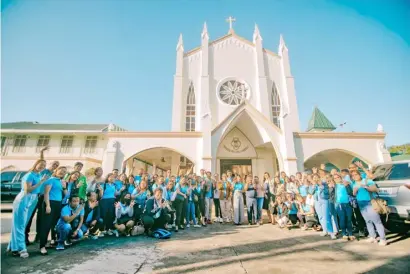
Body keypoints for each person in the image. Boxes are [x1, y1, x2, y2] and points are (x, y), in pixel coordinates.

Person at [8, 159, 49, 258]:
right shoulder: (29, 175)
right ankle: (21, 249)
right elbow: (28, 189)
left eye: (44, 165)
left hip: (33, 199)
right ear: (36, 164)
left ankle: (13, 247)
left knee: (22, 224)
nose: (42, 166)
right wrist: (41, 182)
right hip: (24, 199)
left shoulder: (38, 175)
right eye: (41, 164)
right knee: (20, 225)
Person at [351, 170, 387, 246]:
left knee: (376, 221)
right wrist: (354, 192)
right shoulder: (354, 183)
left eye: (356, 174)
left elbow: (375, 189)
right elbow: (354, 194)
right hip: (361, 203)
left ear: (359, 175)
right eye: (353, 175)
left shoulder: (367, 180)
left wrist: (365, 187)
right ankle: (372, 236)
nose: (355, 176)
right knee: (368, 221)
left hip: (370, 202)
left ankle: (383, 239)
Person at [39, 166, 67, 255]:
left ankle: (53, 241)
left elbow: (66, 195)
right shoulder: (51, 180)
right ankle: (42, 246)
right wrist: (48, 205)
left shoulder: (61, 181)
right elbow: (46, 193)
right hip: (50, 203)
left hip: (58, 204)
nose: (62, 172)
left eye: (64, 171)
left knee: (54, 225)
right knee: (46, 225)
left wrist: (64, 187)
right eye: (61, 170)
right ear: (56, 170)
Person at [333, 173, 355, 240]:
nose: (337, 179)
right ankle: (344, 233)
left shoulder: (347, 183)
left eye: (338, 177)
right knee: (342, 219)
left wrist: (346, 185)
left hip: (348, 203)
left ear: (341, 177)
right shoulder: (334, 186)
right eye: (335, 178)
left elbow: (351, 193)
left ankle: (350, 233)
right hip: (339, 204)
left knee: (349, 219)